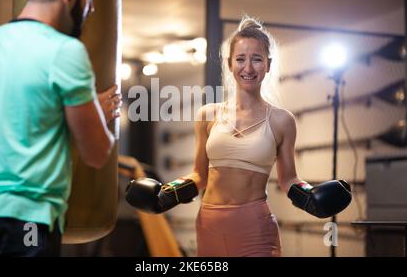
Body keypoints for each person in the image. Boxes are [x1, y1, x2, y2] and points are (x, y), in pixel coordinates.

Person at [125, 16, 352, 257]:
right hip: (209, 224)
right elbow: (199, 175)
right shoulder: (207, 114)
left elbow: (288, 179)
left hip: (254, 227)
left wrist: (309, 197)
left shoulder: (281, 120)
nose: (248, 68)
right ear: (230, 64)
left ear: (268, 65)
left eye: (257, 59)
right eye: (241, 59)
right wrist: (167, 194)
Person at [0, 0, 121, 257]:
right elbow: (97, 152)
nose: (91, 8)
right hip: (31, 218)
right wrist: (94, 112)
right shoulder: (66, 51)